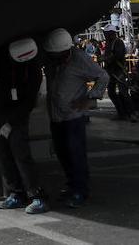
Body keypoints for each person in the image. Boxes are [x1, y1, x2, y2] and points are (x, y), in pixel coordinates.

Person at [43, 29, 108, 208]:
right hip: (56, 116)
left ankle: (80, 190)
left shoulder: (79, 59)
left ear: (65, 51)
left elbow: (103, 76)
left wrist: (90, 98)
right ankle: (72, 186)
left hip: (73, 117)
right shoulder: (52, 61)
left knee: (75, 154)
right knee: (63, 154)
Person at [0, 38, 47, 214]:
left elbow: (28, 102)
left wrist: (11, 123)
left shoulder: (33, 71)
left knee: (20, 154)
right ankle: (16, 193)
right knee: (2, 154)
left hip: (17, 114)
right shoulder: (2, 56)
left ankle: (37, 196)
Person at [100, 25, 131, 121]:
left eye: (106, 33)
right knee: (111, 92)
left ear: (111, 33)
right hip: (111, 71)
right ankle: (121, 112)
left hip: (119, 71)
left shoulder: (118, 42)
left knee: (123, 93)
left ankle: (130, 113)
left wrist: (106, 58)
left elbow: (118, 55)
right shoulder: (109, 43)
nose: (104, 34)